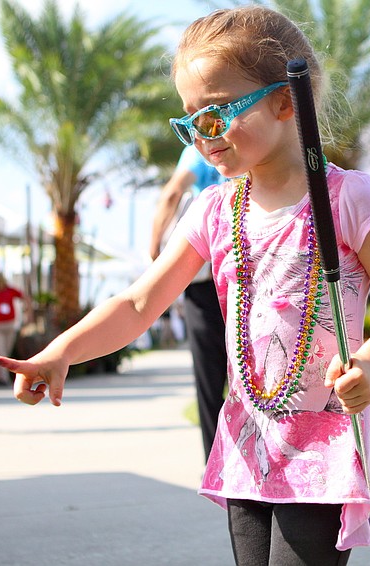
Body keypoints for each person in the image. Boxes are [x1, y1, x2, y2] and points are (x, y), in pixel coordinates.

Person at [0, 6, 370, 564]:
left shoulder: (347, 197)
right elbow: (138, 303)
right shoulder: (213, 210)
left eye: (217, 111)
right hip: (248, 439)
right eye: (190, 119)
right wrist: (60, 353)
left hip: (323, 441)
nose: (203, 135)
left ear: (284, 101)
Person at [149, 145, 227, 463]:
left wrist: (155, 246)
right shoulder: (251, 137)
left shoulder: (201, 147)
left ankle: (216, 466)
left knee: (209, 379)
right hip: (249, 271)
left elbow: (173, 193)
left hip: (206, 276)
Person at [0, 271, 29, 385]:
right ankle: (3, 379)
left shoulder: (9, 290)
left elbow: (25, 297)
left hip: (9, 325)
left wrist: (27, 313)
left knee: (6, 352)